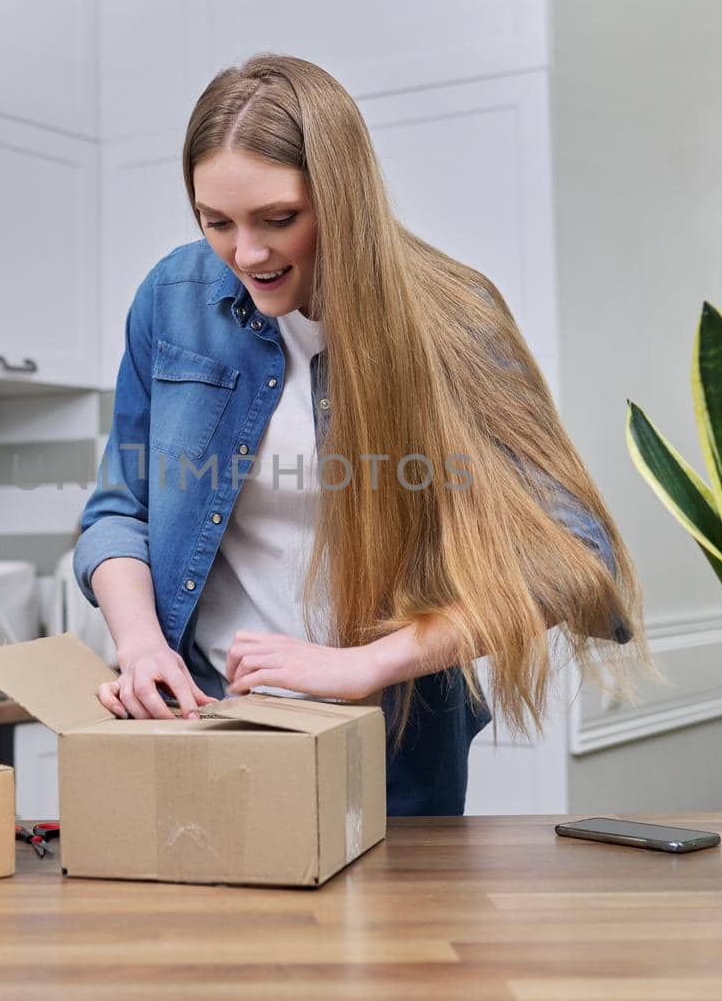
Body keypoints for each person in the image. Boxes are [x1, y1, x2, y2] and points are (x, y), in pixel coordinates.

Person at [72, 53, 645, 815]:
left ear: (341, 199)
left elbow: (574, 556)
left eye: (279, 219)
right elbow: (118, 510)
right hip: (206, 729)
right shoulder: (170, 302)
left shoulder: (453, 317)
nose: (247, 253)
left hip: (393, 754)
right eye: (217, 222)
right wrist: (142, 644)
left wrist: (365, 665)